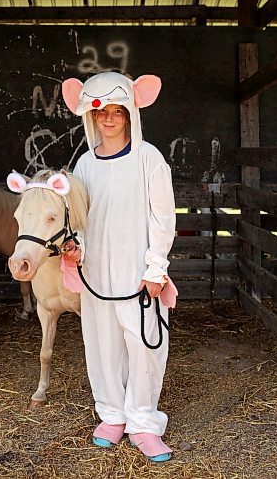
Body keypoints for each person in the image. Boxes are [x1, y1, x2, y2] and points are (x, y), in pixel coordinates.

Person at [61, 72, 176, 463]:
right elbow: (79, 218)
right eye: (101, 112)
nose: (109, 119)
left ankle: (143, 421)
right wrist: (76, 247)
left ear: (130, 113)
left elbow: (163, 218)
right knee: (102, 346)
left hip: (138, 273)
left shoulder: (149, 158)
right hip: (97, 274)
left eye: (117, 111)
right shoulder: (85, 165)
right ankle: (111, 414)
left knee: (145, 348)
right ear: (90, 116)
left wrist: (155, 270)